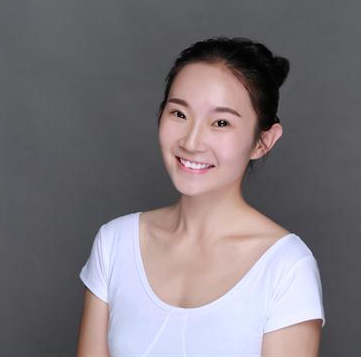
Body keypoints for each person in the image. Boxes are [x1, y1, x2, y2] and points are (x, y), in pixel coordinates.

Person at [76, 37, 325, 357]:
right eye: (179, 114)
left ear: (263, 141)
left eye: (221, 123)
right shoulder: (115, 244)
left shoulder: (286, 268)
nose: (191, 142)